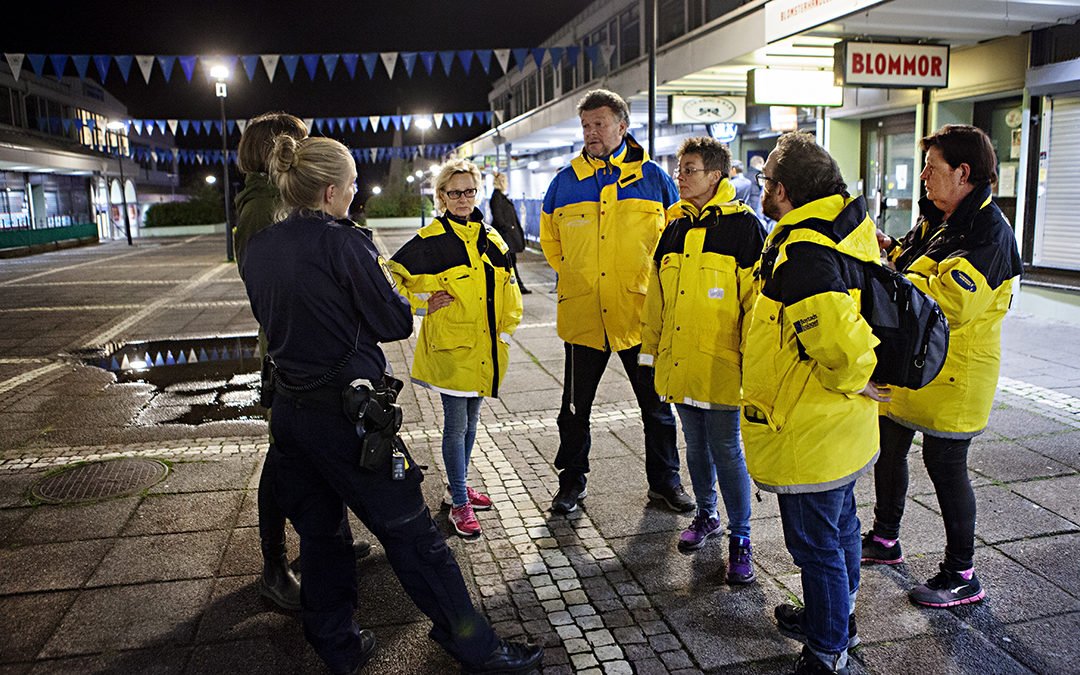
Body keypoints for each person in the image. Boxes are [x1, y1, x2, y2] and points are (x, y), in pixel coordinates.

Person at [240, 134, 542, 674]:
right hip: (347, 417)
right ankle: (477, 647)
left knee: (320, 534)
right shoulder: (346, 243)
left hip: (289, 413)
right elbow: (394, 321)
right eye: (353, 185)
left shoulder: (260, 244)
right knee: (413, 534)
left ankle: (338, 645)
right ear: (331, 191)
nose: (356, 193)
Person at [741, 132, 889, 675]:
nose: (760, 188)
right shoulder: (846, 223)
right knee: (842, 525)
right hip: (838, 424)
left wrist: (861, 377)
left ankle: (828, 650)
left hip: (809, 426)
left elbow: (839, 342)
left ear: (782, 190)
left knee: (815, 544)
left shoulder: (803, 251)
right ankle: (838, 615)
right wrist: (861, 384)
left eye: (763, 180)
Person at [863, 124, 1022, 608]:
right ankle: (886, 538)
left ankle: (961, 573)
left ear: (964, 172)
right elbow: (910, 266)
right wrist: (886, 249)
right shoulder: (940, 218)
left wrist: (895, 272)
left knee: (946, 466)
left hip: (955, 375)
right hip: (914, 366)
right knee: (888, 449)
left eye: (933, 169)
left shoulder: (989, 234)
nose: (925, 178)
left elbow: (942, 302)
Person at [540, 88, 693, 515]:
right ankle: (571, 482)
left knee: (657, 408)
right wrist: (578, 276)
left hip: (639, 315)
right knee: (573, 410)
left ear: (622, 127)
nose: (591, 132)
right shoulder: (564, 181)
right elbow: (552, 244)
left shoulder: (655, 179)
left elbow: (675, 240)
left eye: (600, 124)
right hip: (584, 315)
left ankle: (665, 483)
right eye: (586, 125)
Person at [639, 137, 764, 583]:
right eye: (679, 168)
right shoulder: (673, 227)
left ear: (716, 175)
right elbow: (656, 298)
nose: (680, 175)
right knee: (694, 446)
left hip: (723, 364)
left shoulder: (745, 227)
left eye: (688, 168)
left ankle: (741, 537)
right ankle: (707, 516)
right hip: (680, 362)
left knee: (728, 451)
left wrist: (752, 362)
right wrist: (650, 353)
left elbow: (756, 304)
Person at [387, 160, 524, 540]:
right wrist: (419, 305)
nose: (463, 199)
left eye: (469, 191)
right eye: (454, 192)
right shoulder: (430, 240)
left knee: (472, 422)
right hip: (451, 348)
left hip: (486, 349)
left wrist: (506, 334)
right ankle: (460, 501)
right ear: (442, 196)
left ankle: (455, 487)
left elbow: (510, 288)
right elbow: (387, 278)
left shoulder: (491, 237)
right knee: (456, 425)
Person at [489, 172, 532, 294]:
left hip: (507, 235)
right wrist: (509, 227)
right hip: (505, 236)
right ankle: (517, 286)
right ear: (502, 182)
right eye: (505, 181)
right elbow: (498, 217)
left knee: (510, 262)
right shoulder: (497, 197)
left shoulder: (500, 197)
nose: (507, 184)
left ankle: (516, 285)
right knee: (510, 262)